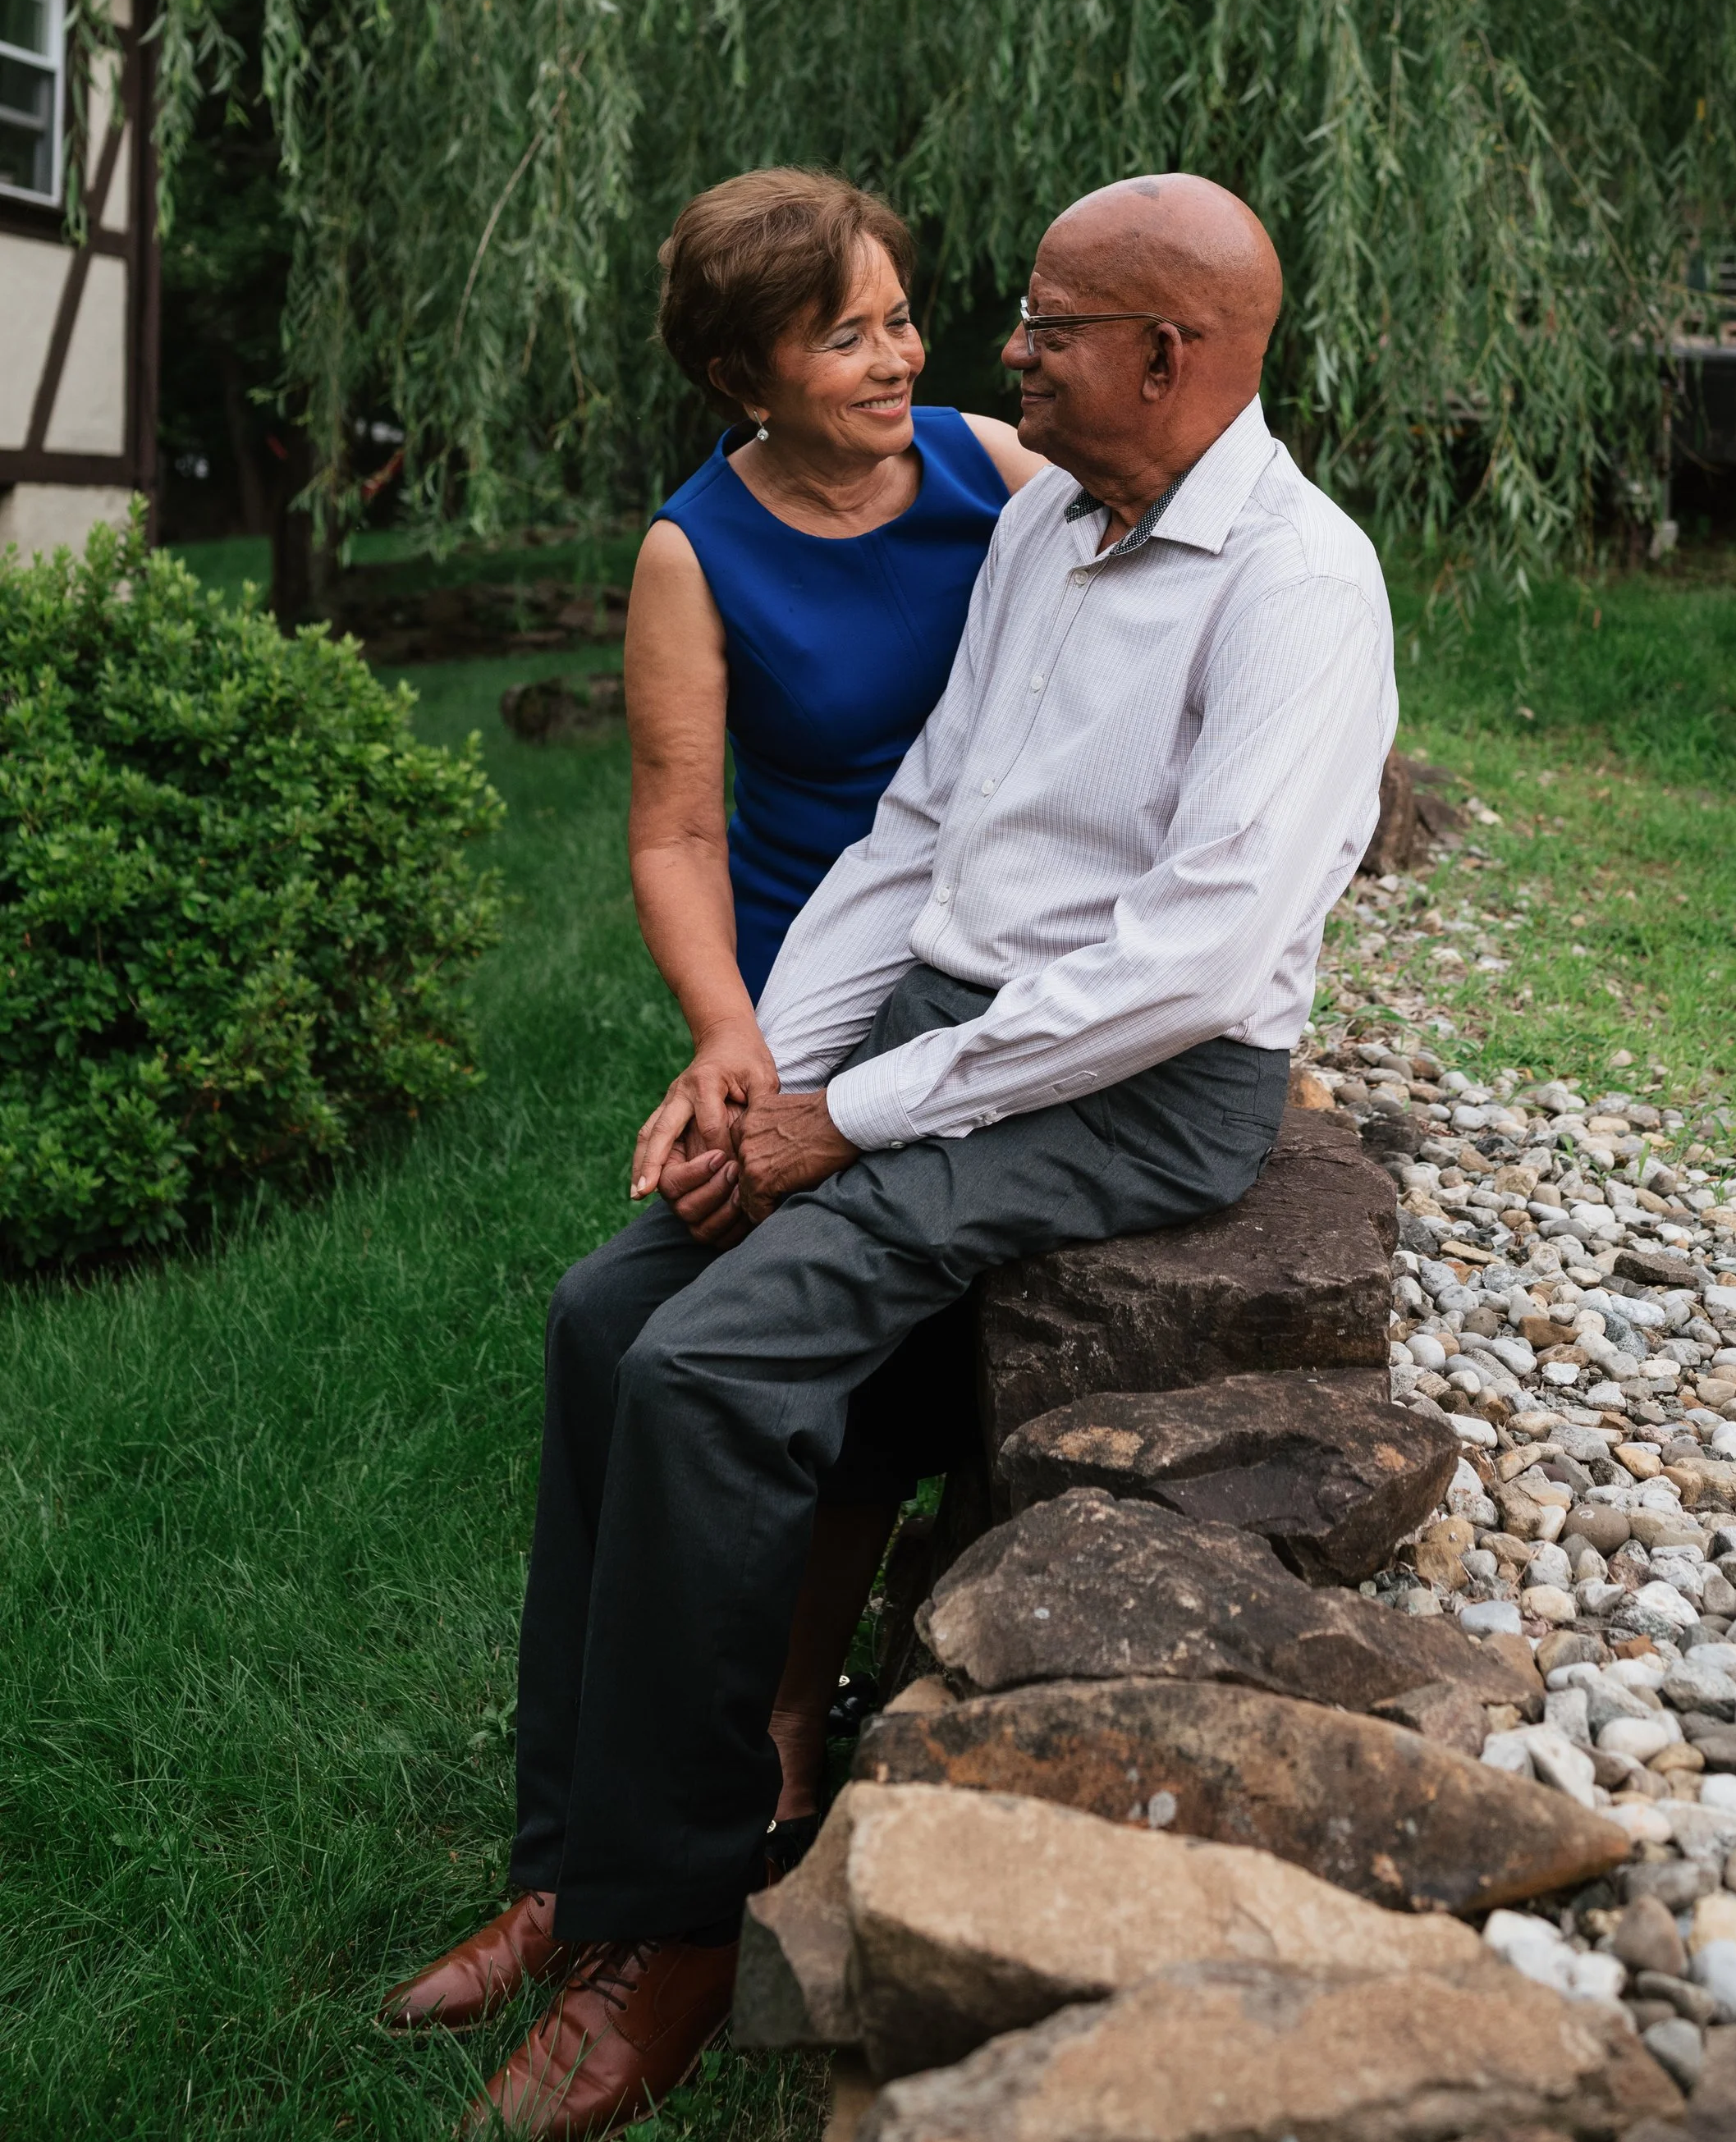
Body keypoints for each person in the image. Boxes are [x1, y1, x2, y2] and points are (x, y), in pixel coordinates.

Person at [385, 172, 1398, 2140]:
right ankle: (572, 1861)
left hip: (1136, 1080)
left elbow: (1185, 966)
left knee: (712, 1368)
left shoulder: (1296, 579)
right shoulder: (1042, 518)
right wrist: (775, 1062)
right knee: (609, 1313)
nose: (995, 355)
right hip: (951, 1031)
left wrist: (846, 1123)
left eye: (1041, 323)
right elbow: (917, 834)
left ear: (1165, 357)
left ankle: (674, 1934)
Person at [381, 166, 1033, 2045]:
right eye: (846, 333)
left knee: (688, 1336)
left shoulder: (995, 471)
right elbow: (670, 824)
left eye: (901, 314)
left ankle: (740, 1753)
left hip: (964, 1006)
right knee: (613, 1317)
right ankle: (568, 1856)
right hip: (791, 1001)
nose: (899, 353)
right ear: (745, 376)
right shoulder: (699, 547)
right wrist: (727, 1036)